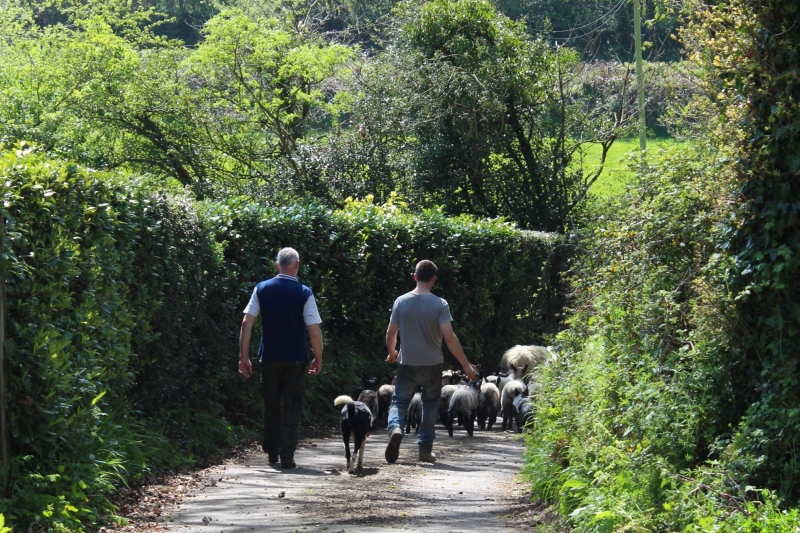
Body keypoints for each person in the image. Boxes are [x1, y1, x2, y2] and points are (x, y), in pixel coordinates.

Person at [384, 259, 476, 463]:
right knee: (430, 403)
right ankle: (425, 450)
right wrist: (466, 365)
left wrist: (392, 352)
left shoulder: (401, 301)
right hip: (433, 364)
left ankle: (396, 428)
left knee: (399, 401)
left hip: (407, 362)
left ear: (415, 276)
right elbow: (450, 338)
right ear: (434, 279)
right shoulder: (440, 304)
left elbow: (391, 333)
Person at [238, 247, 323, 469]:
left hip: (269, 357)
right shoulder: (304, 293)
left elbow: (247, 322)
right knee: (293, 406)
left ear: (276, 265)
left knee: (271, 405)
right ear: (297, 264)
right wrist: (318, 357)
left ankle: (272, 451)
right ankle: (287, 455)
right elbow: (314, 331)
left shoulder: (262, 289)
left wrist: (243, 356)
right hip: (296, 358)